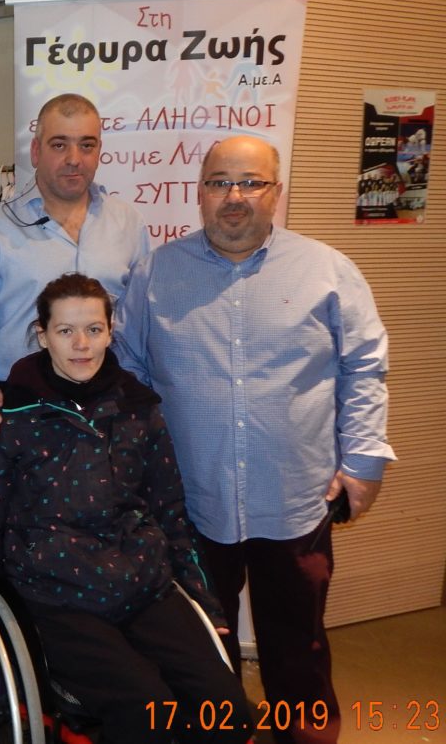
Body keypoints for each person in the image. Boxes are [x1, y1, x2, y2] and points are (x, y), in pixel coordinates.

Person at [112, 135, 396, 744]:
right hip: (189, 502)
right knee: (194, 644)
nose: (234, 197)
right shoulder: (157, 273)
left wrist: (364, 460)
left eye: (251, 182)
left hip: (295, 497)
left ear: (276, 192)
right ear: (199, 192)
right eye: (220, 182)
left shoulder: (327, 270)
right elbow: (128, 372)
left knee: (297, 644)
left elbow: (365, 366)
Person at [0, 273, 252, 744]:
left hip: (142, 584)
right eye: (65, 331)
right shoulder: (7, 418)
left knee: (227, 709)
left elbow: (170, 511)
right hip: (58, 595)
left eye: (93, 329)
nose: (81, 345)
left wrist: (204, 601)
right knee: (148, 712)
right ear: (43, 335)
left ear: (110, 332)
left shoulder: (138, 407)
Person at [0, 93, 149, 437]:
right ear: (36, 151)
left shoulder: (128, 223)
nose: (74, 159)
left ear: (99, 151)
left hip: (108, 413)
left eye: (86, 145)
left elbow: (137, 326)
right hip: (16, 411)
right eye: (59, 145)